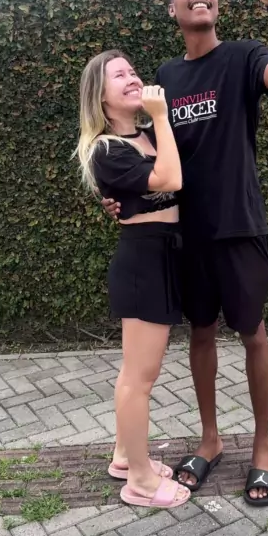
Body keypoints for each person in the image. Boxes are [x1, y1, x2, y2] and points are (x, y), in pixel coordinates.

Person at [102, 0, 268, 507]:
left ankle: (263, 447)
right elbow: (143, 152)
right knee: (202, 334)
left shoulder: (243, 56)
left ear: (217, 1)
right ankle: (210, 440)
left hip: (239, 225)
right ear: (172, 9)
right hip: (185, 234)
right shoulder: (166, 76)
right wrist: (121, 198)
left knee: (253, 333)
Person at [76, 50, 190, 509]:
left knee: (136, 372)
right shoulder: (106, 148)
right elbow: (171, 178)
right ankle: (140, 481)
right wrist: (161, 114)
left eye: (132, 71)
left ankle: (125, 456)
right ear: (100, 97)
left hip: (163, 254)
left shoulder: (144, 136)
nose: (132, 78)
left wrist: (157, 123)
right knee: (139, 378)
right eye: (118, 75)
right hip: (143, 260)